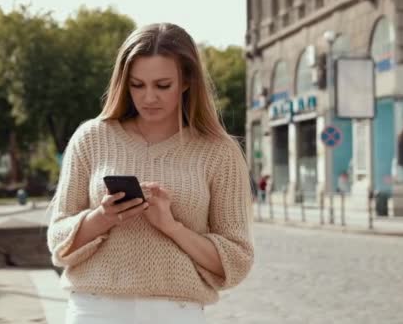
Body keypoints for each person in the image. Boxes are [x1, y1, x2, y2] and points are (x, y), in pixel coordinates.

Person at [46, 23, 254, 324]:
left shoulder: (219, 151)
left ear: (186, 81)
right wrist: (103, 217)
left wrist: (171, 226)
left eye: (162, 85)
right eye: (137, 85)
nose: (149, 97)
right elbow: (58, 240)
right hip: (93, 309)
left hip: (176, 313)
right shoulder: (90, 138)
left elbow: (236, 260)